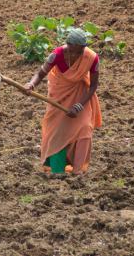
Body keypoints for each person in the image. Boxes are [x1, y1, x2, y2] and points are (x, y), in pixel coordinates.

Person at [25, 28, 102, 174]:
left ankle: (78, 172)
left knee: (85, 128)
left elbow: (93, 86)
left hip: (81, 96)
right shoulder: (57, 55)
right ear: (67, 45)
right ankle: (57, 170)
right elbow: (41, 73)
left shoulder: (91, 58)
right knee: (57, 133)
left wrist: (79, 106)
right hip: (59, 97)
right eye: (73, 51)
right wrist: (31, 84)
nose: (76, 55)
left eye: (79, 52)